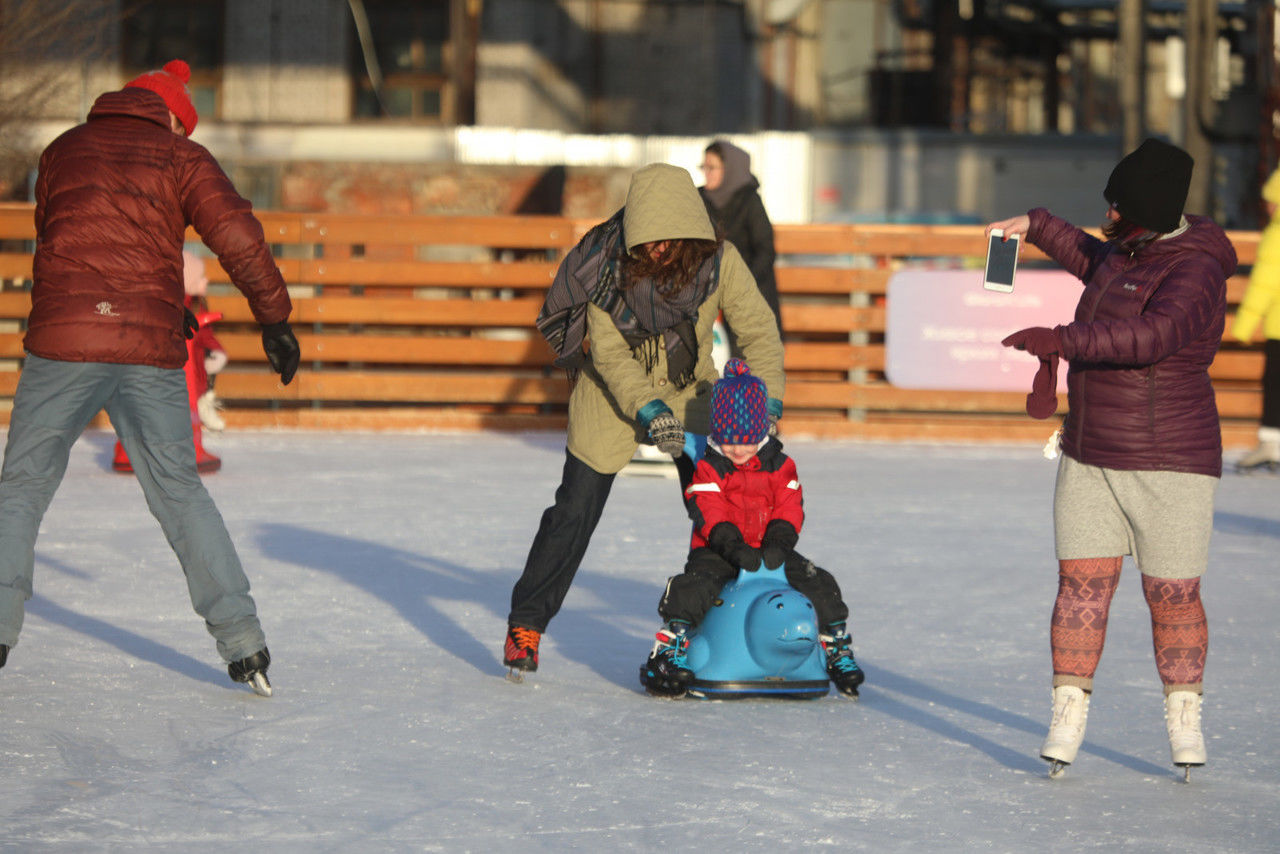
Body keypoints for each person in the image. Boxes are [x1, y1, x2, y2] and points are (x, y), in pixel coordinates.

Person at [0, 60, 300, 695]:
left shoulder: (61, 150)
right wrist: (274, 318)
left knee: (21, 488)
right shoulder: (181, 157)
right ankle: (244, 645)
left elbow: (54, 236)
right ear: (172, 118)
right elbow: (237, 235)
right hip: (145, 350)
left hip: (64, 343)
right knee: (179, 492)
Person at [987, 138, 1237, 778]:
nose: (1106, 214)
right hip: (1091, 452)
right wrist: (1036, 225)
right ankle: (1067, 712)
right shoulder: (1131, 249)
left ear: (1146, 211)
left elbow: (1152, 336)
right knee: (1081, 588)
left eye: (1116, 205)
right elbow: (1092, 256)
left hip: (1170, 462)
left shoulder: (1197, 269)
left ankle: (1184, 715)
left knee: (1173, 595)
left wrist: (1062, 339)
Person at [504, 163, 785, 678]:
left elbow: (759, 331)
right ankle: (527, 623)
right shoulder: (603, 263)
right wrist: (648, 409)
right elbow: (609, 354)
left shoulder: (719, 261)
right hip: (610, 395)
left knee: (723, 504)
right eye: (648, 241)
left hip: (691, 388)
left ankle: (721, 620)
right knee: (574, 509)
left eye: (668, 241)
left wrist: (764, 406)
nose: (656, 252)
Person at [639, 359, 864, 698]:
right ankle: (671, 648)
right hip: (718, 548)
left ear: (762, 432)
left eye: (746, 441)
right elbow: (708, 508)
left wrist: (780, 540)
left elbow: (790, 503)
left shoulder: (781, 465)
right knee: (693, 587)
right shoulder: (709, 466)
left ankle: (835, 648)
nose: (738, 450)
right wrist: (729, 544)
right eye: (729, 441)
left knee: (819, 581)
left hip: (771, 547)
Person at [111, 250, 227, 474]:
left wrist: (215, 352)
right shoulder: (171, 307)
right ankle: (181, 449)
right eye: (199, 278)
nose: (205, 282)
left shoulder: (193, 305)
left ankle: (130, 450)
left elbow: (204, 335)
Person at [699, 140, 782, 333]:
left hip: (749, 297)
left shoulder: (749, 201)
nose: (706, 173)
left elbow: (765, 250)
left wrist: (741, 285)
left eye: (712, 167)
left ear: (729, 169)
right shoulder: (698, 199)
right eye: (704, 167)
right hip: (706, 296)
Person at [1231, 168, 1280, 471]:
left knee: (1275, 383)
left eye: (1271, 200)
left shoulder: (1276, 234)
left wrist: (1244, 324)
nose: (1267, 206)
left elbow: (1266, 280)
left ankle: (1272, 444)